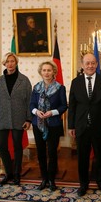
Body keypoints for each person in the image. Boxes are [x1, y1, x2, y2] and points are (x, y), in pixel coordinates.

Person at [68, 53, 101, 197]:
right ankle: (83, 184)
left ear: (97, 64)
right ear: (82, 65)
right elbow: (73, 106)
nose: (90, 66)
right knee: (82, 157)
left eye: (93, 63)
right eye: (87, 63)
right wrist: (71, 126)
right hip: (81, 126)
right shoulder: (75, 82)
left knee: (100, 156)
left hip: (100, 127)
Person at [0, 52, 32, 186]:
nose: (10, 64)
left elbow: (29, 101)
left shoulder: (24, 80)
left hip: (19, 119)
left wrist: (28, 119)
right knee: (2, 146)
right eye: (7, 61)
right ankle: (9, 173)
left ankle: (17, 174)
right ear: (4, 63)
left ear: (16, 62)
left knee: (17, 147)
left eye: (12, 61)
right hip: (0, 118)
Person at [30, 61, 67, 191]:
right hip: (37, 124)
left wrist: (52, 112)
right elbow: (31, 105)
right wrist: (36, 112)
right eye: (44, 70)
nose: (46, 73)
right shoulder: (36, 87)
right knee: (40, 153)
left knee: (52, 153)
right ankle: (44, 179)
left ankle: (51, 180)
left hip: (54, 124)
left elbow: (64, 106)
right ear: (41, 72)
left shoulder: (60, 88)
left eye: (49, 70)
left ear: (54, 72)